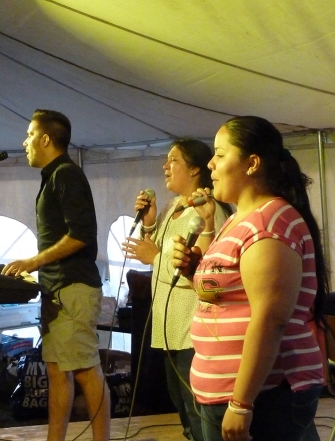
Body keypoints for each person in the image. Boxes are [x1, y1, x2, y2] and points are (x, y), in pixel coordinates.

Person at [172, 116, 329, 441]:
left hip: (265, 396)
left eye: (220, 154)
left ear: (252, 163)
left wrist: (242, 403)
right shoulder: (239, 220)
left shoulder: (269, 223)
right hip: (225, 392)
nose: (210, 164)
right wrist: (193, 270)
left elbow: (271, 319)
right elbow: (230, 296)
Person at [1, 109, 110, 441]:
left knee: (85, 369)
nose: (25, 142)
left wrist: (34, 261)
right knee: (58, 370)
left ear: (46, 139)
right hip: (58, 289)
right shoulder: (54, 176)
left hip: (72, 288)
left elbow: (81, 235)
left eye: (30, 135)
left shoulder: (66, 175)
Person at [121, 139, 231, 441]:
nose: (165, 166)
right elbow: (159, 251)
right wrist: (149, 223)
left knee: (198, 412)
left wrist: (154, 257)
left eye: (173, 160)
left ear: (195, 168)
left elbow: (207, 273)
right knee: (182, 407)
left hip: (193, 330)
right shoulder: (173, 208)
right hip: (169, 327)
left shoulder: (209, 212)